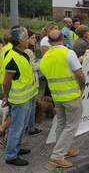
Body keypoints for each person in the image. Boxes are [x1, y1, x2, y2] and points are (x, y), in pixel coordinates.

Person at [39, 29, 85, 168]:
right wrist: (82, 87)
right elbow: (80, 75)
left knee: (61, 124)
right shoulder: (68, 53)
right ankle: (57, 156)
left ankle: (64, 150)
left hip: (56, 96)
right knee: (71, 126)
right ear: (63, 39)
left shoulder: (45, 57)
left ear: (50, 41)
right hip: (71, 96)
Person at [2, 27, 38, 166]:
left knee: (21, 126)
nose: (28, 40)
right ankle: (11, 156)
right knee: (16, 128)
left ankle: (16, 149)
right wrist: (6, 96)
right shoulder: (12, 57)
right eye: (26, 38)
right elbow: (6, 82)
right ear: (20, 41)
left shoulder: (23, 53)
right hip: (19, 100)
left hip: (27, 97)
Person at [25, 30, 42, 136]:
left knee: (31, 107)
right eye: (33, 38)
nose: (35, 40)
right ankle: (30, 128)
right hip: (30, 83)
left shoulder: (29, 51)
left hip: (30, 83)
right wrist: (42, 61)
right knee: (31, 107)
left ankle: (30, 127)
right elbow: (33, 67)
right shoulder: (28, 52)